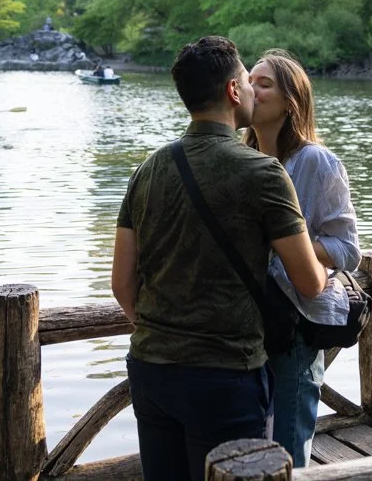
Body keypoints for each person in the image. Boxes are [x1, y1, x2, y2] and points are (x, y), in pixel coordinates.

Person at [111, 36, 326, 481]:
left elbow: (121, 282)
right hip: (224, 375)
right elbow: (309, 282)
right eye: (248, 81)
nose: (251, 89)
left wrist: (163, 334)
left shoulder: (147, 169)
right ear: (232, 92)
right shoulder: (263, 173)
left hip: (149, 369)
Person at [246, 49, 360, 467]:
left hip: (294, 326)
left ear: (290, 101)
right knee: (254, 448)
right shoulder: (245, 160)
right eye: (249, 80)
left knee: (288, 453)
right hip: (247, 327)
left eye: (265, 83)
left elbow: (348, 250)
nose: (252, 89)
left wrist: (287, 242)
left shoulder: (315, 161)